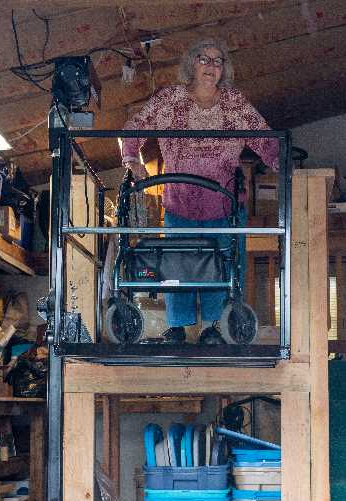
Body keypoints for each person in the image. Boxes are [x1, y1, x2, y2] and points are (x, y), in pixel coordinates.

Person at [122, 38, 278, 344]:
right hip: (180, 203)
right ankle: (177, 328)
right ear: (191, 64)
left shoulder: (234, 103)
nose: (211, 66)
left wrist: (282, 166)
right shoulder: (170, 99)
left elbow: (267, 140)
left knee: (221, 265)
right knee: (178, 264)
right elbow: (134, 127)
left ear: (224, 69)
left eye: (218, 61)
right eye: (204, 60)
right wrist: (131, 159)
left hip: (224, 205)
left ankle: (214, 327)